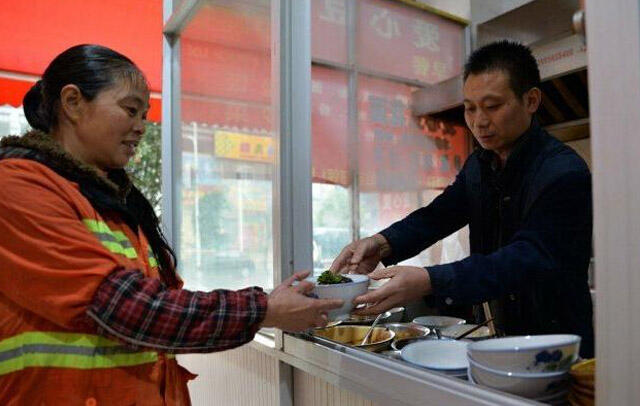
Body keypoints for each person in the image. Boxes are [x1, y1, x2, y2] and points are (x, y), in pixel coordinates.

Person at [0, 44, 342, 405]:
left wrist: (270, 304)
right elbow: (127, 307)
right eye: (130, 110)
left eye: (145, 115)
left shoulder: (110, 201)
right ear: (72, 102)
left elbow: (162, 306)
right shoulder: (18, 186)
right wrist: (266, 310)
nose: (141, 127)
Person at [331, 40, 594, 358]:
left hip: (559, 346)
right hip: (502, 338)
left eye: (492, 106)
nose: (479, 121)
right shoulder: (481, 164)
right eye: (470, 108)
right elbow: (439, 215)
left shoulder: (563, 172)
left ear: (531, 100)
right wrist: (382, 242)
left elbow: (528, 258)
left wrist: (431, 280)